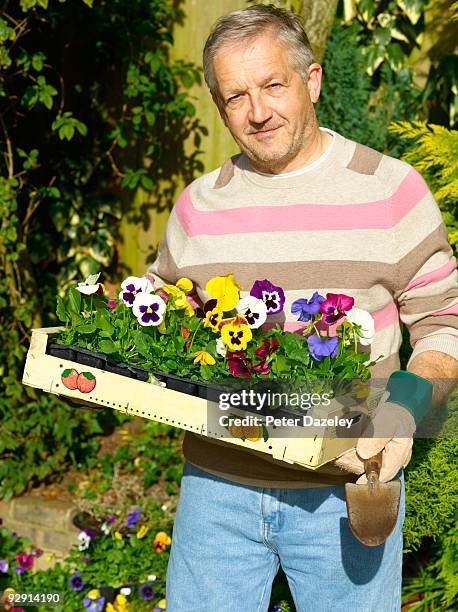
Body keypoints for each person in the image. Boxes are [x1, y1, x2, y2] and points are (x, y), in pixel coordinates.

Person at [146, 5, 458, 611]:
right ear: (219, 106)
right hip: (217, 489)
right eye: (236, 96)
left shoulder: (390, 190)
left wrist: (403, 414)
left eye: (272, 86)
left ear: (310, 81)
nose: (257, 112)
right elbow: (162, 323)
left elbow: (445, 320)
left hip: (345, 493)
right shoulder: (197, 206)